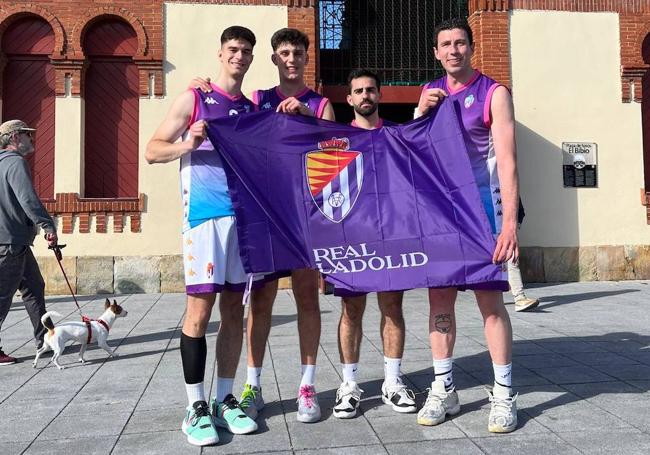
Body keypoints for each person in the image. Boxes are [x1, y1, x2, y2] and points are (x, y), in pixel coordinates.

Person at [189, 27, 335, 424]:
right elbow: (224, 113)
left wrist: (306, 119)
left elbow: (332, 155)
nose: (291, 59)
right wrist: (199, 88)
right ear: (274, 59)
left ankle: (307, 386)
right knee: (260, 302)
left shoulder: (321, 105)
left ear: (307, 59)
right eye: (284, 53)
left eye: (298, 54)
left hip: (303, 217)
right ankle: (252, 385)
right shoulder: (257, 101)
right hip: (265, 214)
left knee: (307, 297)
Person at [145, 26, 259, 447]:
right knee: (198, 311)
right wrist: (187, 144)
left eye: (246, 51)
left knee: (233, 311)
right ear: (221, 52)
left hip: (241, 224)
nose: (239, 56)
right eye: (233, 49)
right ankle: (194, 407)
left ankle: (224, 398)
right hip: (203, 220)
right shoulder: (194, 99)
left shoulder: (250, 108)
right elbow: (152, 149)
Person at [415, 18, 519, 433]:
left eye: (460, 43)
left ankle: (504, 392)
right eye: (446, 44)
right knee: (439, 302)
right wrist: (420, 113)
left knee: (489, 304)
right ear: (437, 52)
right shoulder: (430, 93)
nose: (453, 50)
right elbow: (414, 154)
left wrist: (509, 222)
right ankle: (444, 388)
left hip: (482, 217)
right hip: (442, 217)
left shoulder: (494, 93)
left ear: (471, 48)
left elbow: (509, 160)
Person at [332, 69, 416, 419]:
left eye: (370, 90)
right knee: (351, 310)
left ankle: (392, 382)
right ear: (348, 99)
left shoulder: (396, 135)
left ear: (379, 95)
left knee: (392, 307)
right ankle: (349, 384)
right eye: (358, 91)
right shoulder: (334, 139)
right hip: (351, 235)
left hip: (391, 233)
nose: (365, 95)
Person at [0, 120, 58, 366]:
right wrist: (47, 225)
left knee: (34, 287)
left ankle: (46, 339)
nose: (32, 140)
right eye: (27, 135)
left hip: (15, 240)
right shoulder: (15, 163)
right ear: (14, 137)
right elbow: (28, 199)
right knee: (2, 296)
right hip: (9, 242)